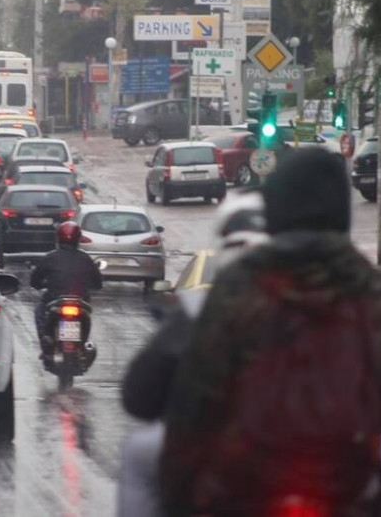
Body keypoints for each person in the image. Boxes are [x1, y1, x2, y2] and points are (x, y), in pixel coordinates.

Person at [159, 148, 381, 517]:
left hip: (246, 481)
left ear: (277, 207)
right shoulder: (374, 288)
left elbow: (198, 394)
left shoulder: (239, 283)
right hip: (346, 481)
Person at [118, 190, 268, 517]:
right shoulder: (327, 301)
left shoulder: (199, 309)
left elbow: (139, 397)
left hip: (224, 448)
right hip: (314, 451)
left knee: (138, 454)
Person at [30, 221, 102, 359]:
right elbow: (98, 282)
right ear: (78, 238)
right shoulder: (85, 258)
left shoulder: (50, 257)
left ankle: (46, 343)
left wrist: (38, 284)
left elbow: (35, 280)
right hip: (80, 300)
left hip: (54, 299)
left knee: (39, 312)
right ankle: (82, 343)